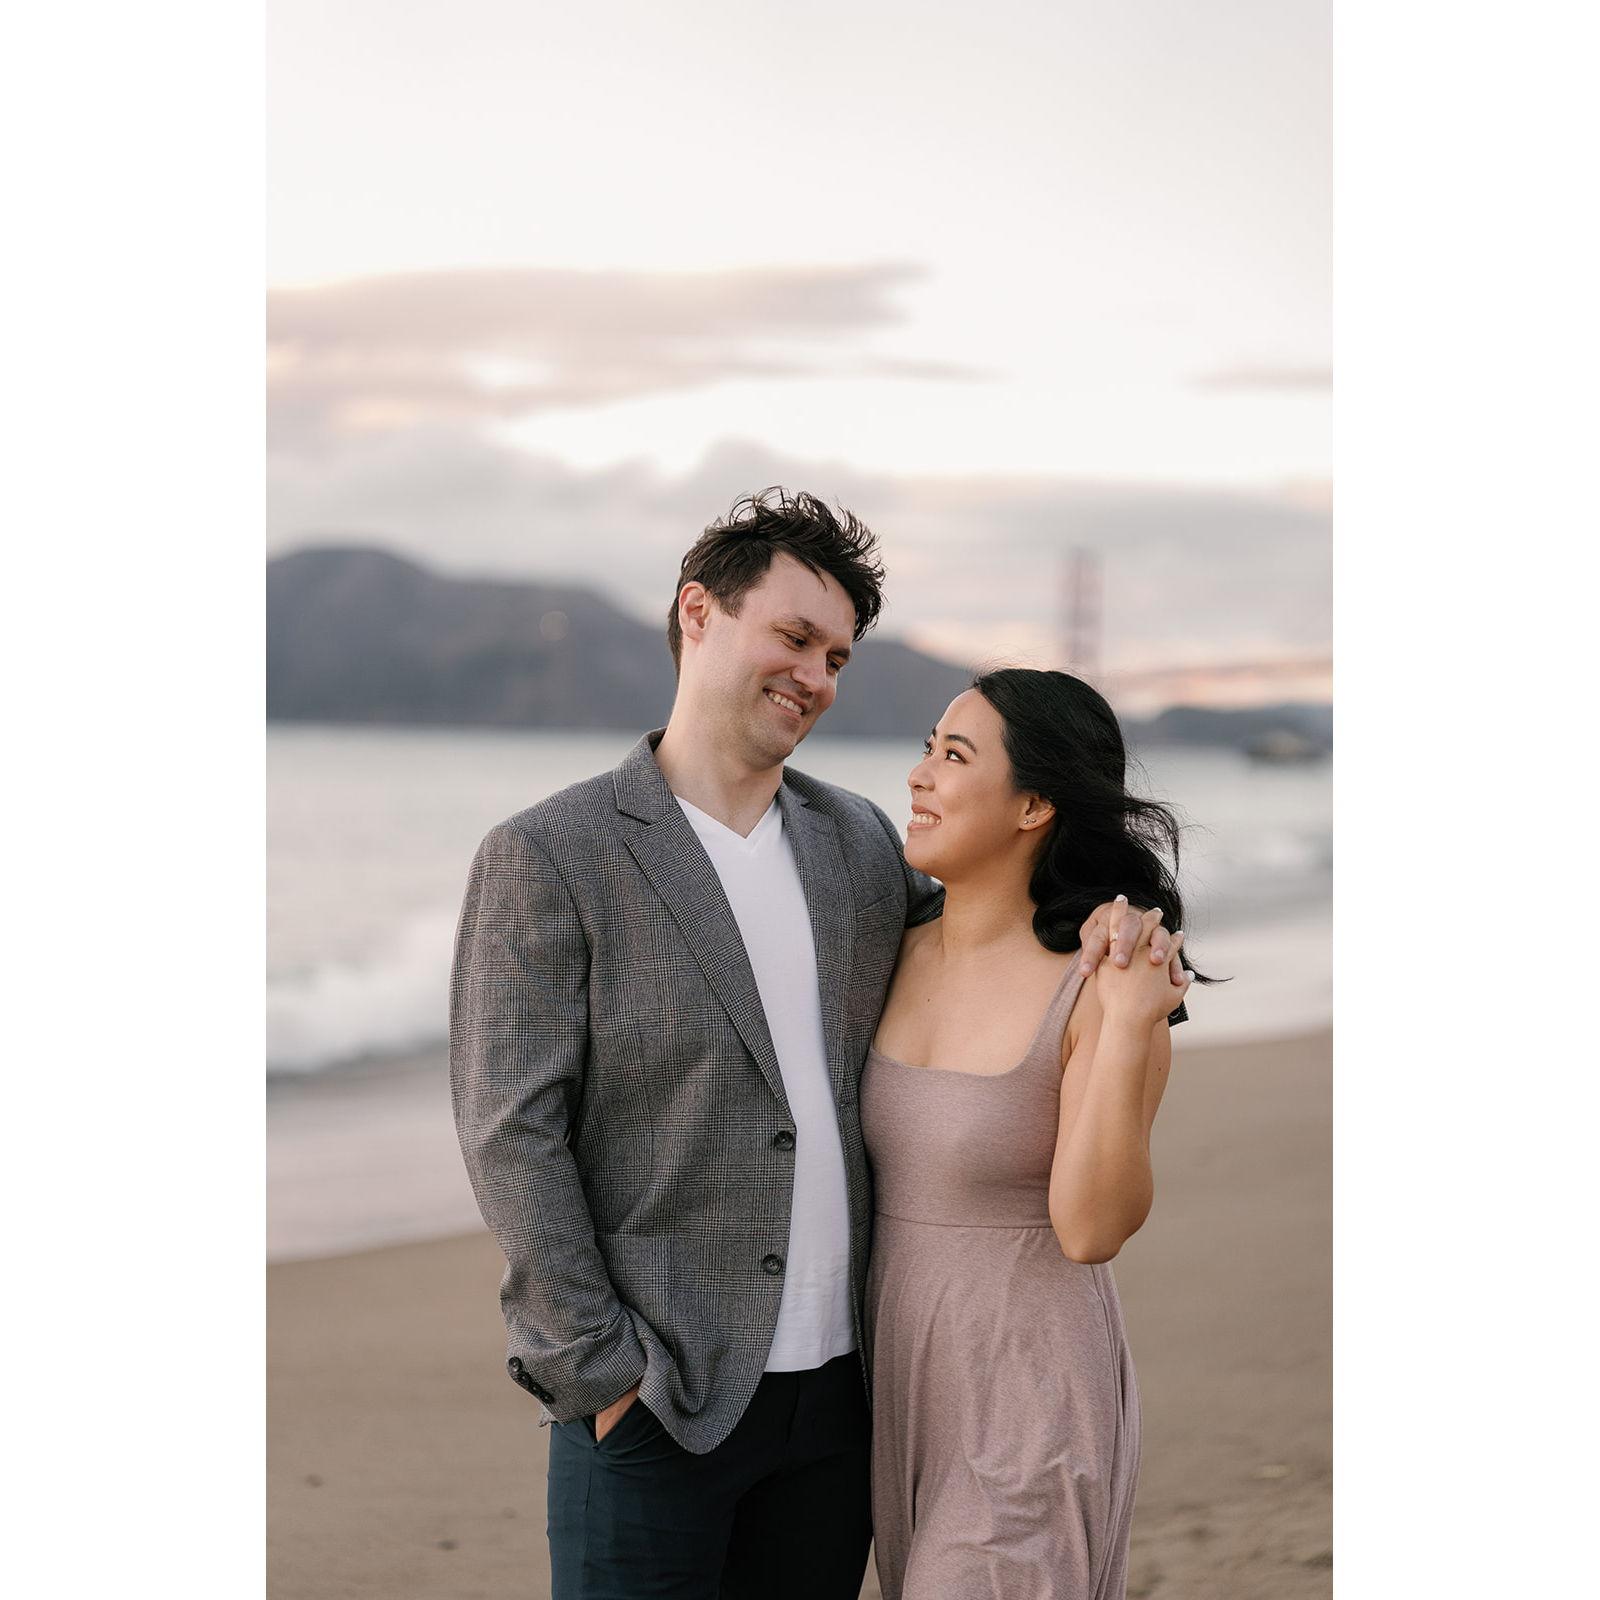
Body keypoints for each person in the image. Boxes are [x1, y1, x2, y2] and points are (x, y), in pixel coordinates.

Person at [449, 488, 1180, 1600]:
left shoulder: (859, 849)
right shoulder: (550, 855)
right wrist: (594, 1370)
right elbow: (512, 1134)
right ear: (698, 614)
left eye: (836, 653)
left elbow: (993, 965)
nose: (816, 675)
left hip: (843, 1406)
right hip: (656, 1403)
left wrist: (1115, 933)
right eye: (793, 636)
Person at [864, 668, 1202, 1600]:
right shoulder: (880, 947)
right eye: (929, 747)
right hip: (888, 1389)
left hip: (1028, 1395)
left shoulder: (1103, 984)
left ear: (1035, 805)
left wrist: (1132, 1022)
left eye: (955, 755)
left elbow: (1093, 1229)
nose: (920, 776)